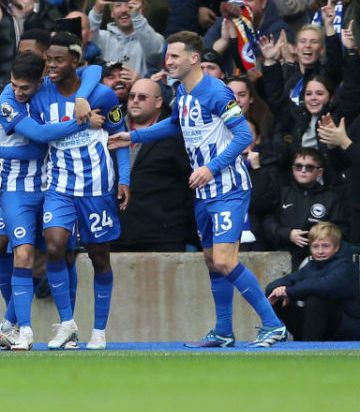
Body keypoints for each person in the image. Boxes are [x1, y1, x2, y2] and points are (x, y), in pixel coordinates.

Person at [110, 30, 288, 348]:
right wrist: (133, 136)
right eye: (168, 55)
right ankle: (223, 330)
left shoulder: (216, 92)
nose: (168, 61)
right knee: (210, 259)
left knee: (224, 259)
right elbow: (174, 124)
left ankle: (273, 325)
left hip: (228, 187)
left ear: (194, 59)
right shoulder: (182, 94)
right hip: (204, 191)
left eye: (175, 56)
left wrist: (210, 167)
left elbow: (244, 137)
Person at [0, 52, 104, 350]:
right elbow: (39, 142)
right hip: (18, 187)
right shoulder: (6, 101)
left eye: (24, 88)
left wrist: (81, 99)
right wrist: (82, 123)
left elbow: (93, 70)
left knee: (62, 252)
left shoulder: (48, 93)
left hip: (55, 184)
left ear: (40, 81)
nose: (18, 92)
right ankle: (21, 327)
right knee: (17, 251)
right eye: (15, 85)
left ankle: (57, 327)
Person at [28, 32, 129, 351]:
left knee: (100, 257)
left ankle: (99, 330)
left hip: (97, 186)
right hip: (58, 183)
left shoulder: (103, 95)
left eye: (59, 60)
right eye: (48, 60)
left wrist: (124, 178)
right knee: (55, 245)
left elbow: (119, 136)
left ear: (75, 61)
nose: (52, 65)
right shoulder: (41, 94)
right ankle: (68, 324)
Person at [111, 78, 195, 252]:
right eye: (132, 96)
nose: (134, 101)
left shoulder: (176, 134)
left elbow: (189, 184)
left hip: (163, 235)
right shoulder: (111, 130)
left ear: (158, 102)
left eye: (142, 97)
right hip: (116, 233)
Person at [266, 221, 360, 341]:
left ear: (336, 247)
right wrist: (279, 290)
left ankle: (310, 346)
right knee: (277, 298)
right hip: (317, 326)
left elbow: (325, 286)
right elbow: (282, 282)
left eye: (326, 246)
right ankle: (294, 340)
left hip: (346, 328)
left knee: (316, 300)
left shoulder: (346, 266)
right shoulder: (311, 266)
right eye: (315, 246)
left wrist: (289, 292)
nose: (320, 251)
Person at [261, 148, 347, 267]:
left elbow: (341, 229)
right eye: (298, 166)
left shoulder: (331, 198)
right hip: (282, 256)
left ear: (320, 172)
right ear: (292, 169)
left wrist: (318, 237)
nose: (303, 170)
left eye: (309, 167)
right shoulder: (281, 193)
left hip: (317, 259)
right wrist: (288, 234)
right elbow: (267, 223)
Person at [88, 0, 164, 77]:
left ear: (140, 9)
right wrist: (97, 10)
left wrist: (136, 17)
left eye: (129, 5)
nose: (124, 10)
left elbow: (155, 55)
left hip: (138, 91)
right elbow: (87, 39)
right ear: (112, 13)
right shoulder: (103, 38)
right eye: (118, 5)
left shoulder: (154, 38)